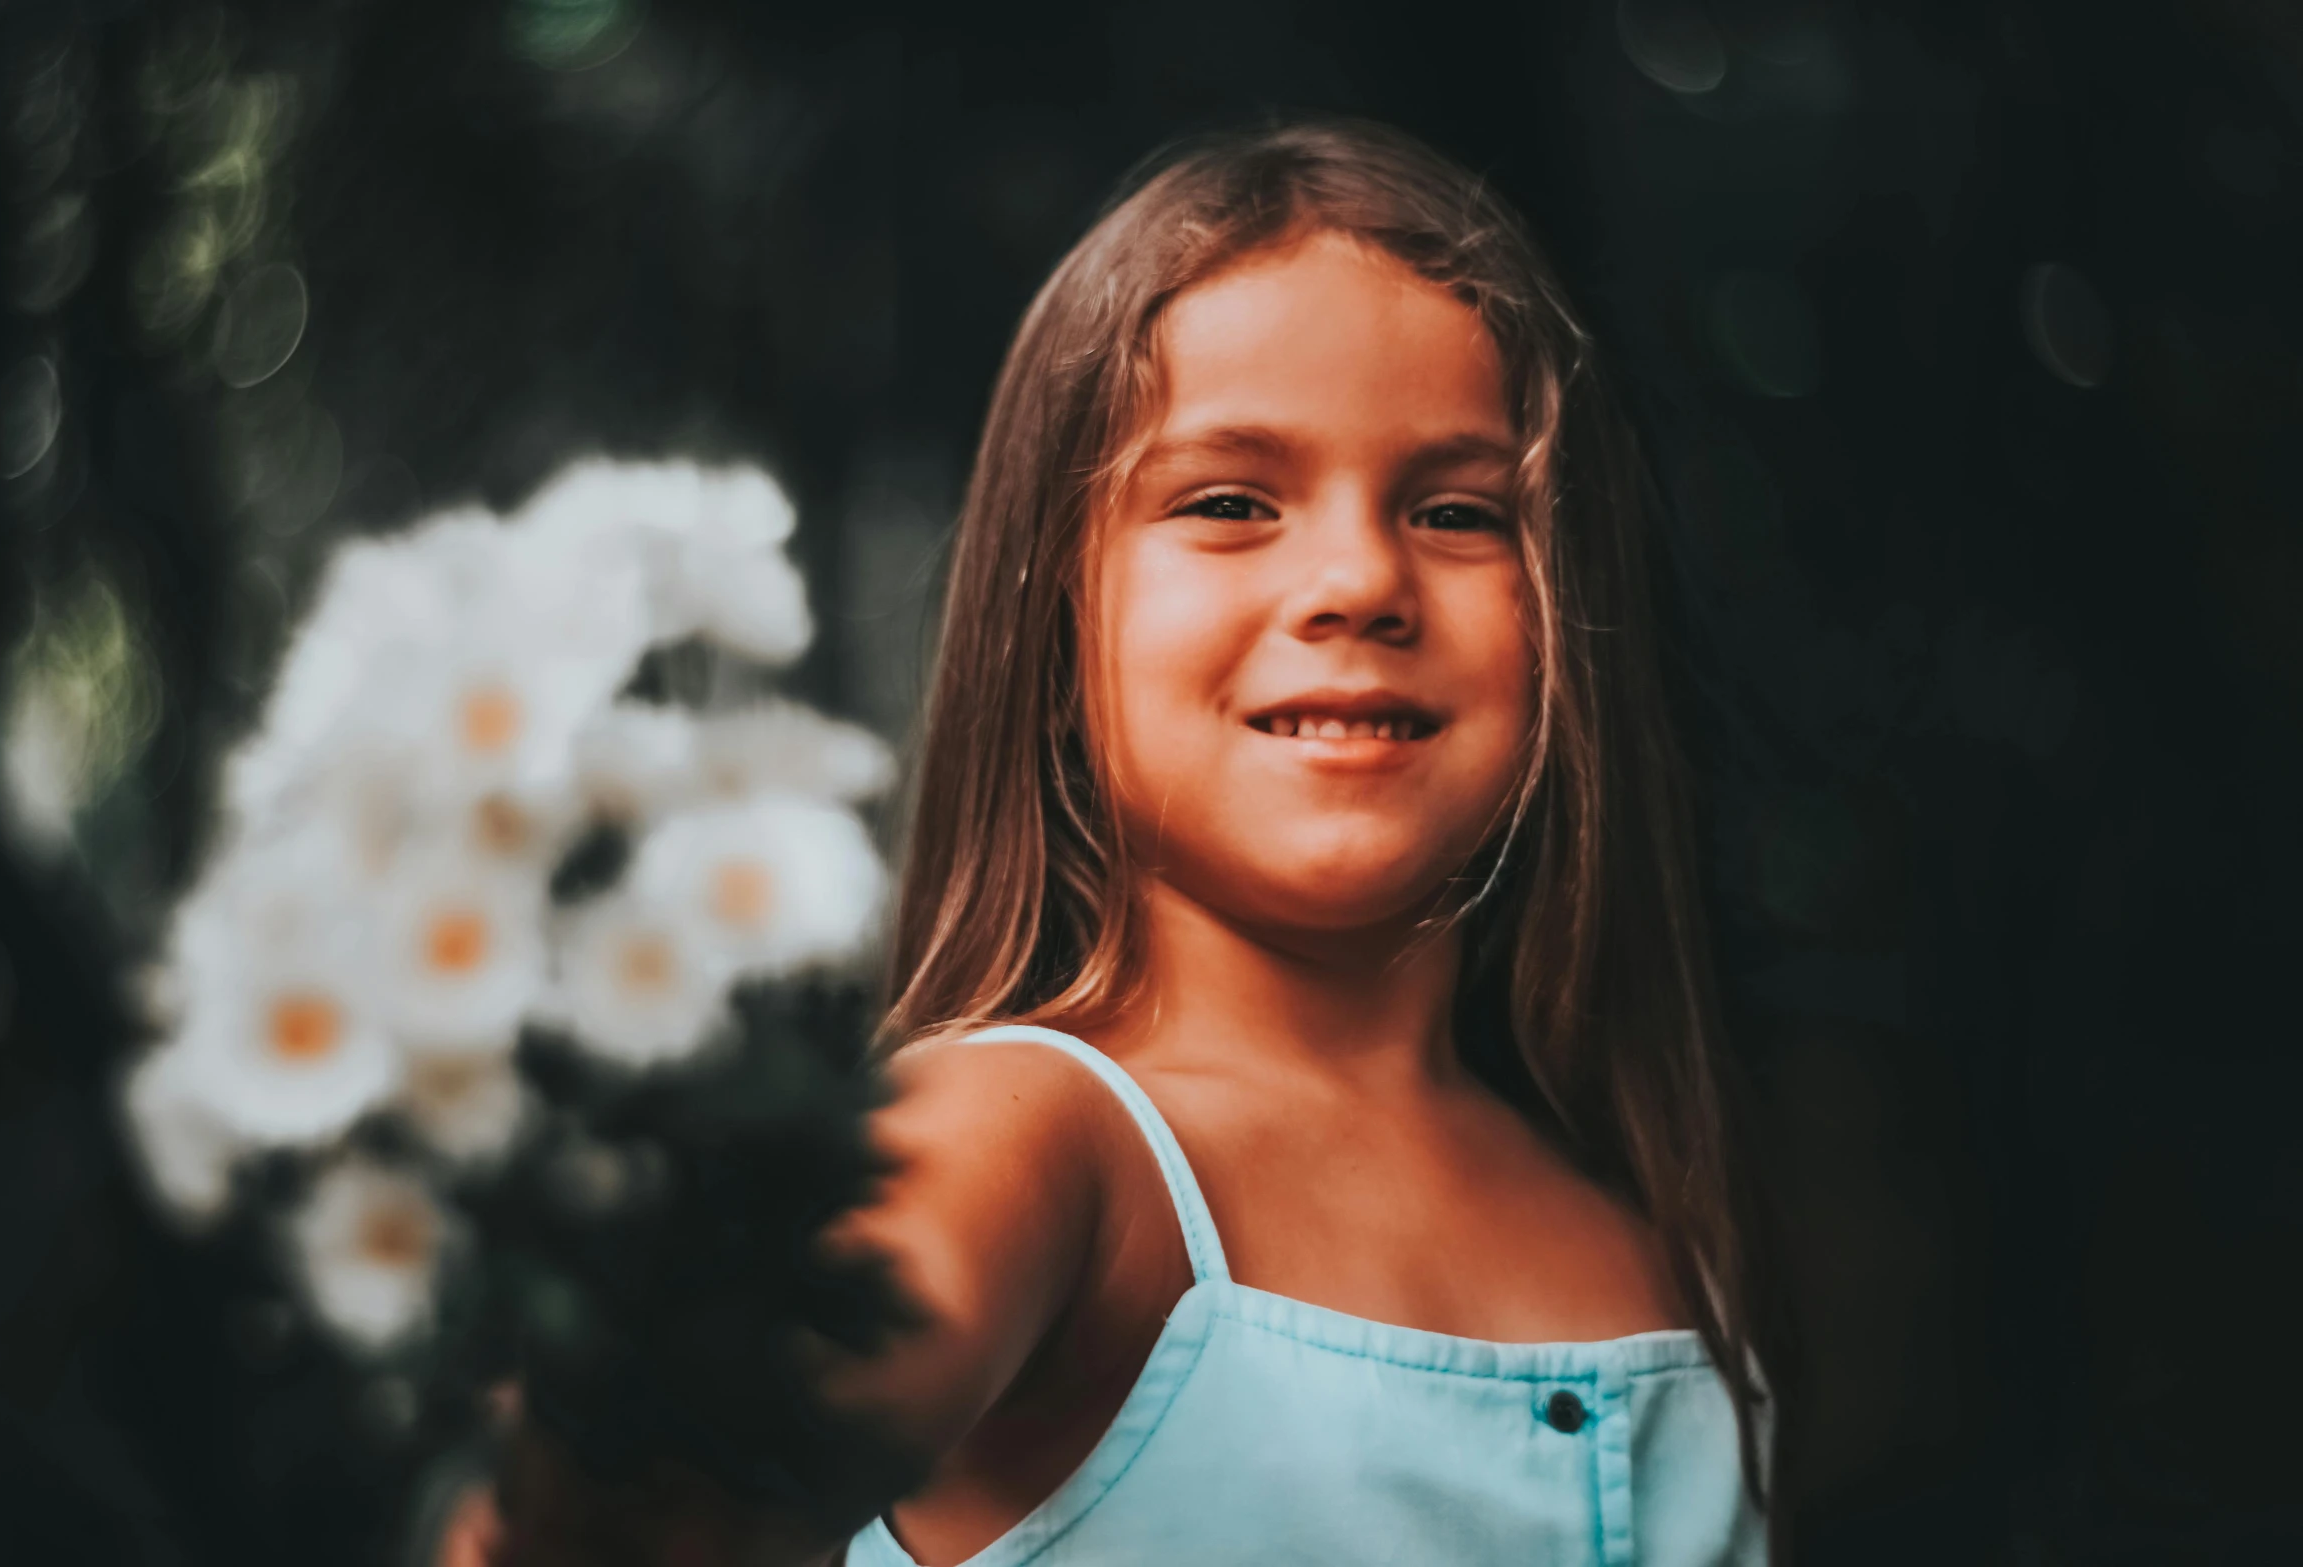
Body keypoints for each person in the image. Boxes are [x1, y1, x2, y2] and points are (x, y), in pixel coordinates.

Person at [492, 116, 1785, 1567]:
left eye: (1457, 509)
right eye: (1229, 502)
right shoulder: (1027, 1140)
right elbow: (653, 1487)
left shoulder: (1639, 1209)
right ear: (1055, 625)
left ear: (1569, 623)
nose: (1359, 576)